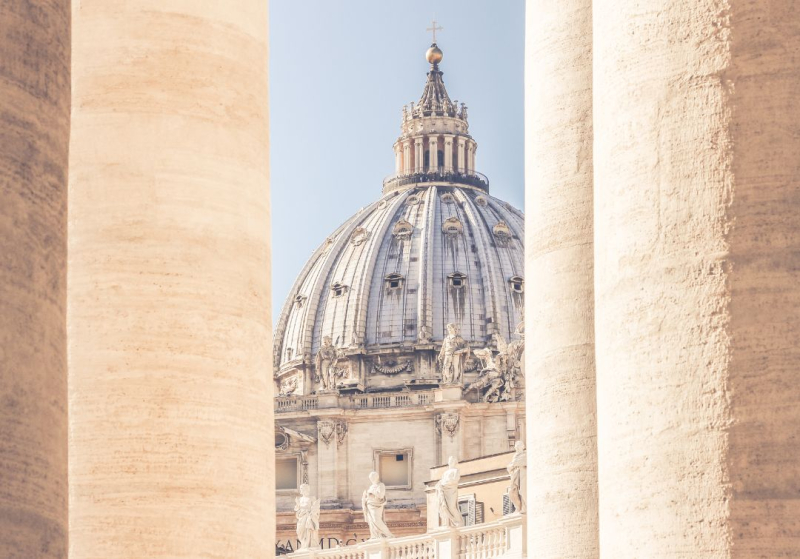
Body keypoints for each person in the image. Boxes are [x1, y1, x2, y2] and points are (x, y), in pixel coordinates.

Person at [362, 471, 394, 539]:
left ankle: (388, 534)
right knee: (372, 521)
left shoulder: (381, 485)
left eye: (373, 477)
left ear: (377, 477)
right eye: (371, 478)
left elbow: (381, 495)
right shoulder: (371, 487)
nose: (372, 479)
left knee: (376, 520)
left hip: (376, 505)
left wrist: (371, 492)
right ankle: (375, 536)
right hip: (369, 505)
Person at [436, 456, 463, 528]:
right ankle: (450, 522)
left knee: (452, 507)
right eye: (450, 461)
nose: (451, 462)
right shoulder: (445, 473)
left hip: (451, 489)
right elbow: (441, 481)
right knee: (445, 507)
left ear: (455, 462)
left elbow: (455, 480)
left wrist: (445, 483)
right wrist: (440, 484)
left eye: (453, 461)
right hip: (444, 489)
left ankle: (459, 522)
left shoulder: (456, 471)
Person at [294, 484, 320, 550]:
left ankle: (307, 545)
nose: (302, 490)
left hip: (308, 517)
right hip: (301, 517)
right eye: (301, 489)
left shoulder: (312, 498)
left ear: (307, 489)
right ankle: (303, 544)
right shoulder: (299, 499)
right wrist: (298, 507)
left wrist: (312, 514)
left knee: (308, 530)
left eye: (303, 488)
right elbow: (297, 509)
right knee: (299, 531)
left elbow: (316, 508)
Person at [507, 441, 527, 514]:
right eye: (516, 446)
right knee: (512, 492)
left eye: (519, 446)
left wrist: (514, 465)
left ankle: (524, 507)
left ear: (522, 447)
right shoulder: (515, 456)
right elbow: (510, 466)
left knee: (523, 491)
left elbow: (518, 463)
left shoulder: (525, 455)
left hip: (523, 475)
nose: (517, 448)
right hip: (516, 476)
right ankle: (518, 508)